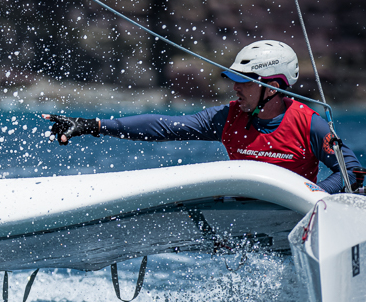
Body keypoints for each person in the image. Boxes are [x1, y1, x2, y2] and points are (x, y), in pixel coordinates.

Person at [44, 40, 363, 194]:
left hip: (295, 219)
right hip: (242, 225)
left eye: (243, 82)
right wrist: (94, 125)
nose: (235, 88)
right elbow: (164, 126)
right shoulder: (227, 118)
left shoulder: (309, 124)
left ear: (272, 86)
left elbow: (353, 174)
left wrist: (315, 195)